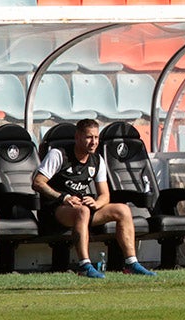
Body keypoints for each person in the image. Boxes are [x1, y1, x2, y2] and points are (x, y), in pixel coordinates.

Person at [32, 118, 156, 278]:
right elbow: (38, 182)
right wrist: (63, 197)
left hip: (82, 209)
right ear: (77, 137)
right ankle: (84, 265)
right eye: (89, 137)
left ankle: (131, 263)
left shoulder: (97, 160)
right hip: (55, 210)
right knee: (82, 211)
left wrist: (97, 203)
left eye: (96, 137)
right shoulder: (58, 154)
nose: (94, 142)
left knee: (123, 210)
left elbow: (105, 195)